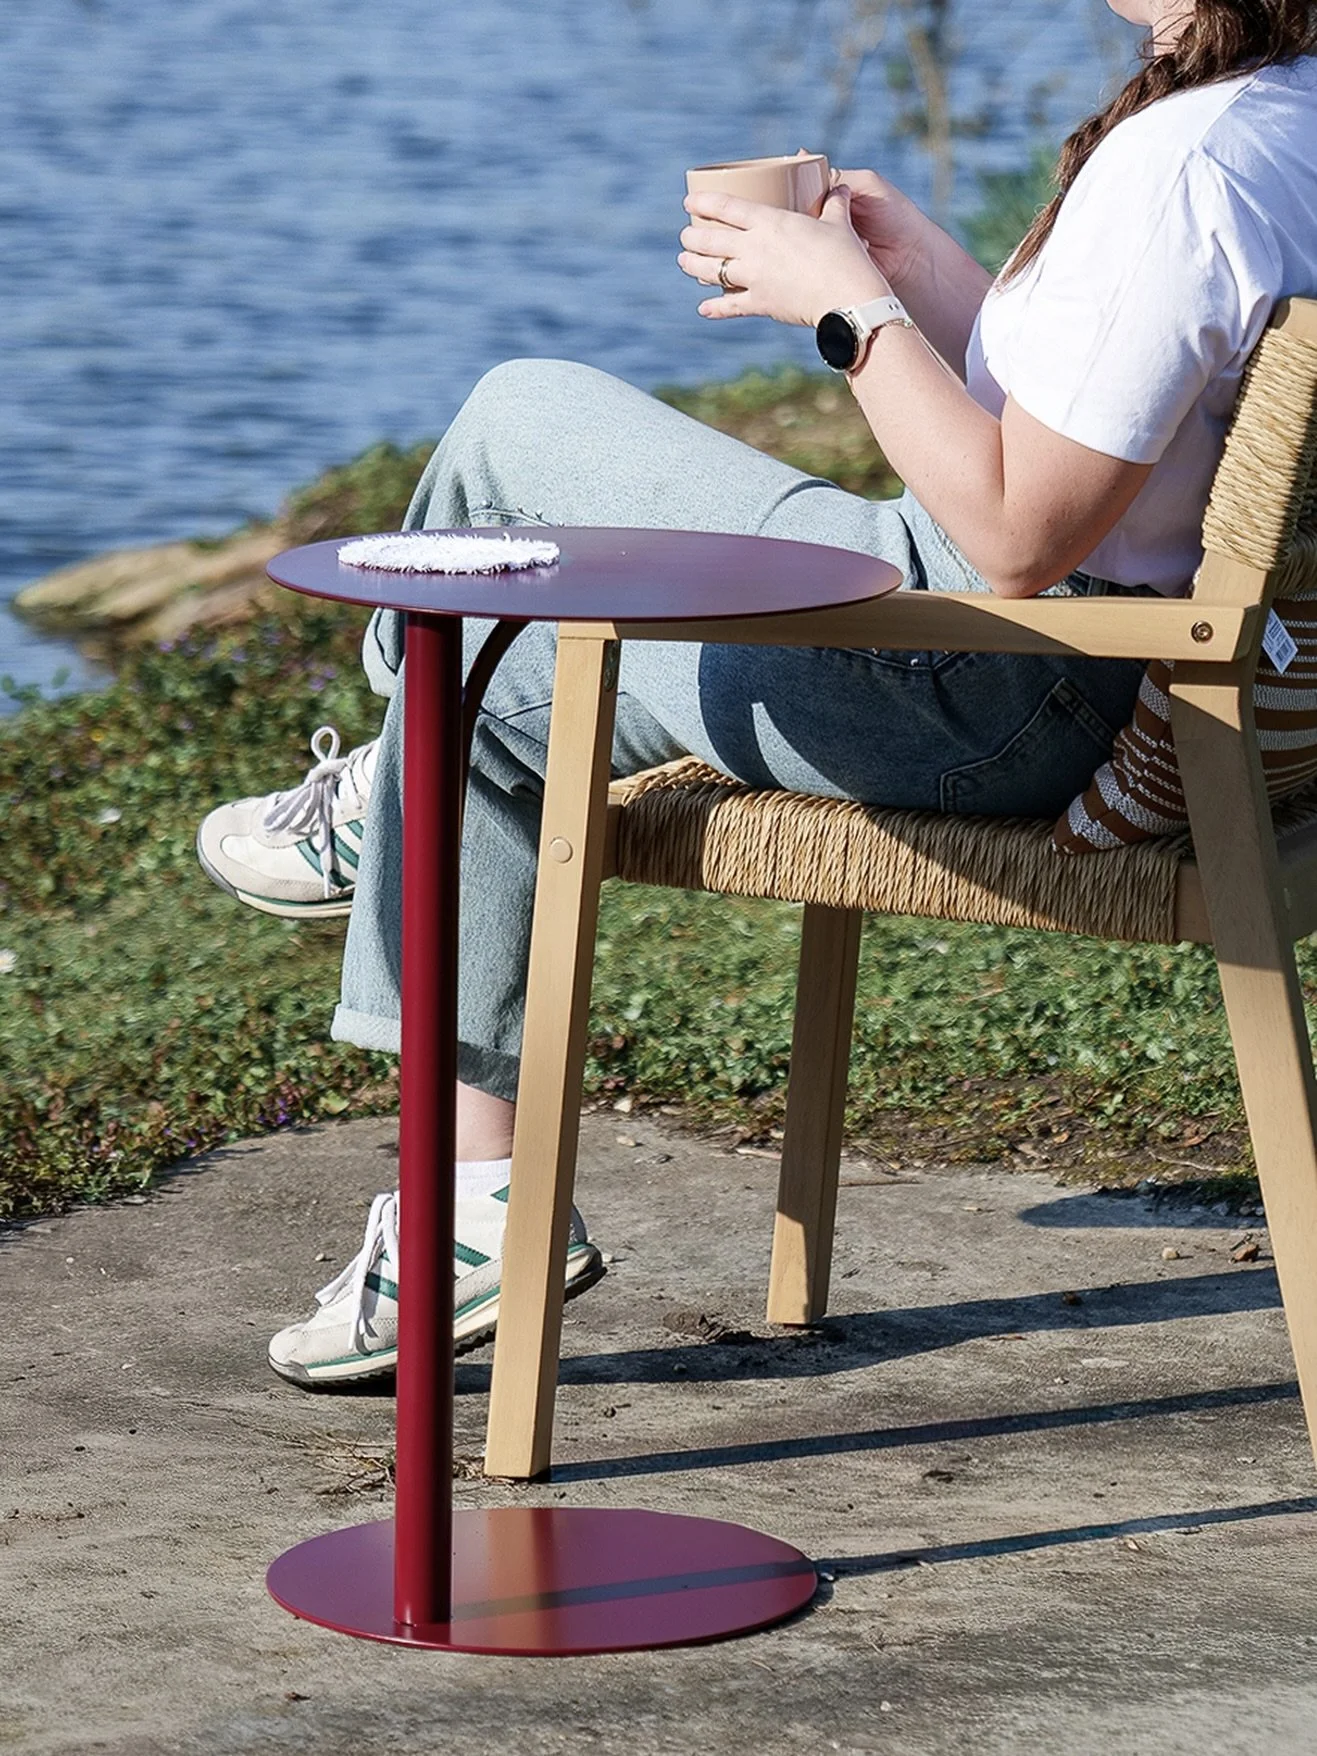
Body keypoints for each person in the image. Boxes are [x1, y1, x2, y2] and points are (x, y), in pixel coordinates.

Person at [198, 0, 1317, 1388]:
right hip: (1053, 642)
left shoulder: (1188, 159)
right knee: (516, 417)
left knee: (474, 676)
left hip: (1000, 675)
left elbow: (1026, 538)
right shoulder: (1279, 118)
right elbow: (1118, 435)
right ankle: (397, 791)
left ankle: (416, 898)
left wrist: (850, 313)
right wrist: (923, 277)